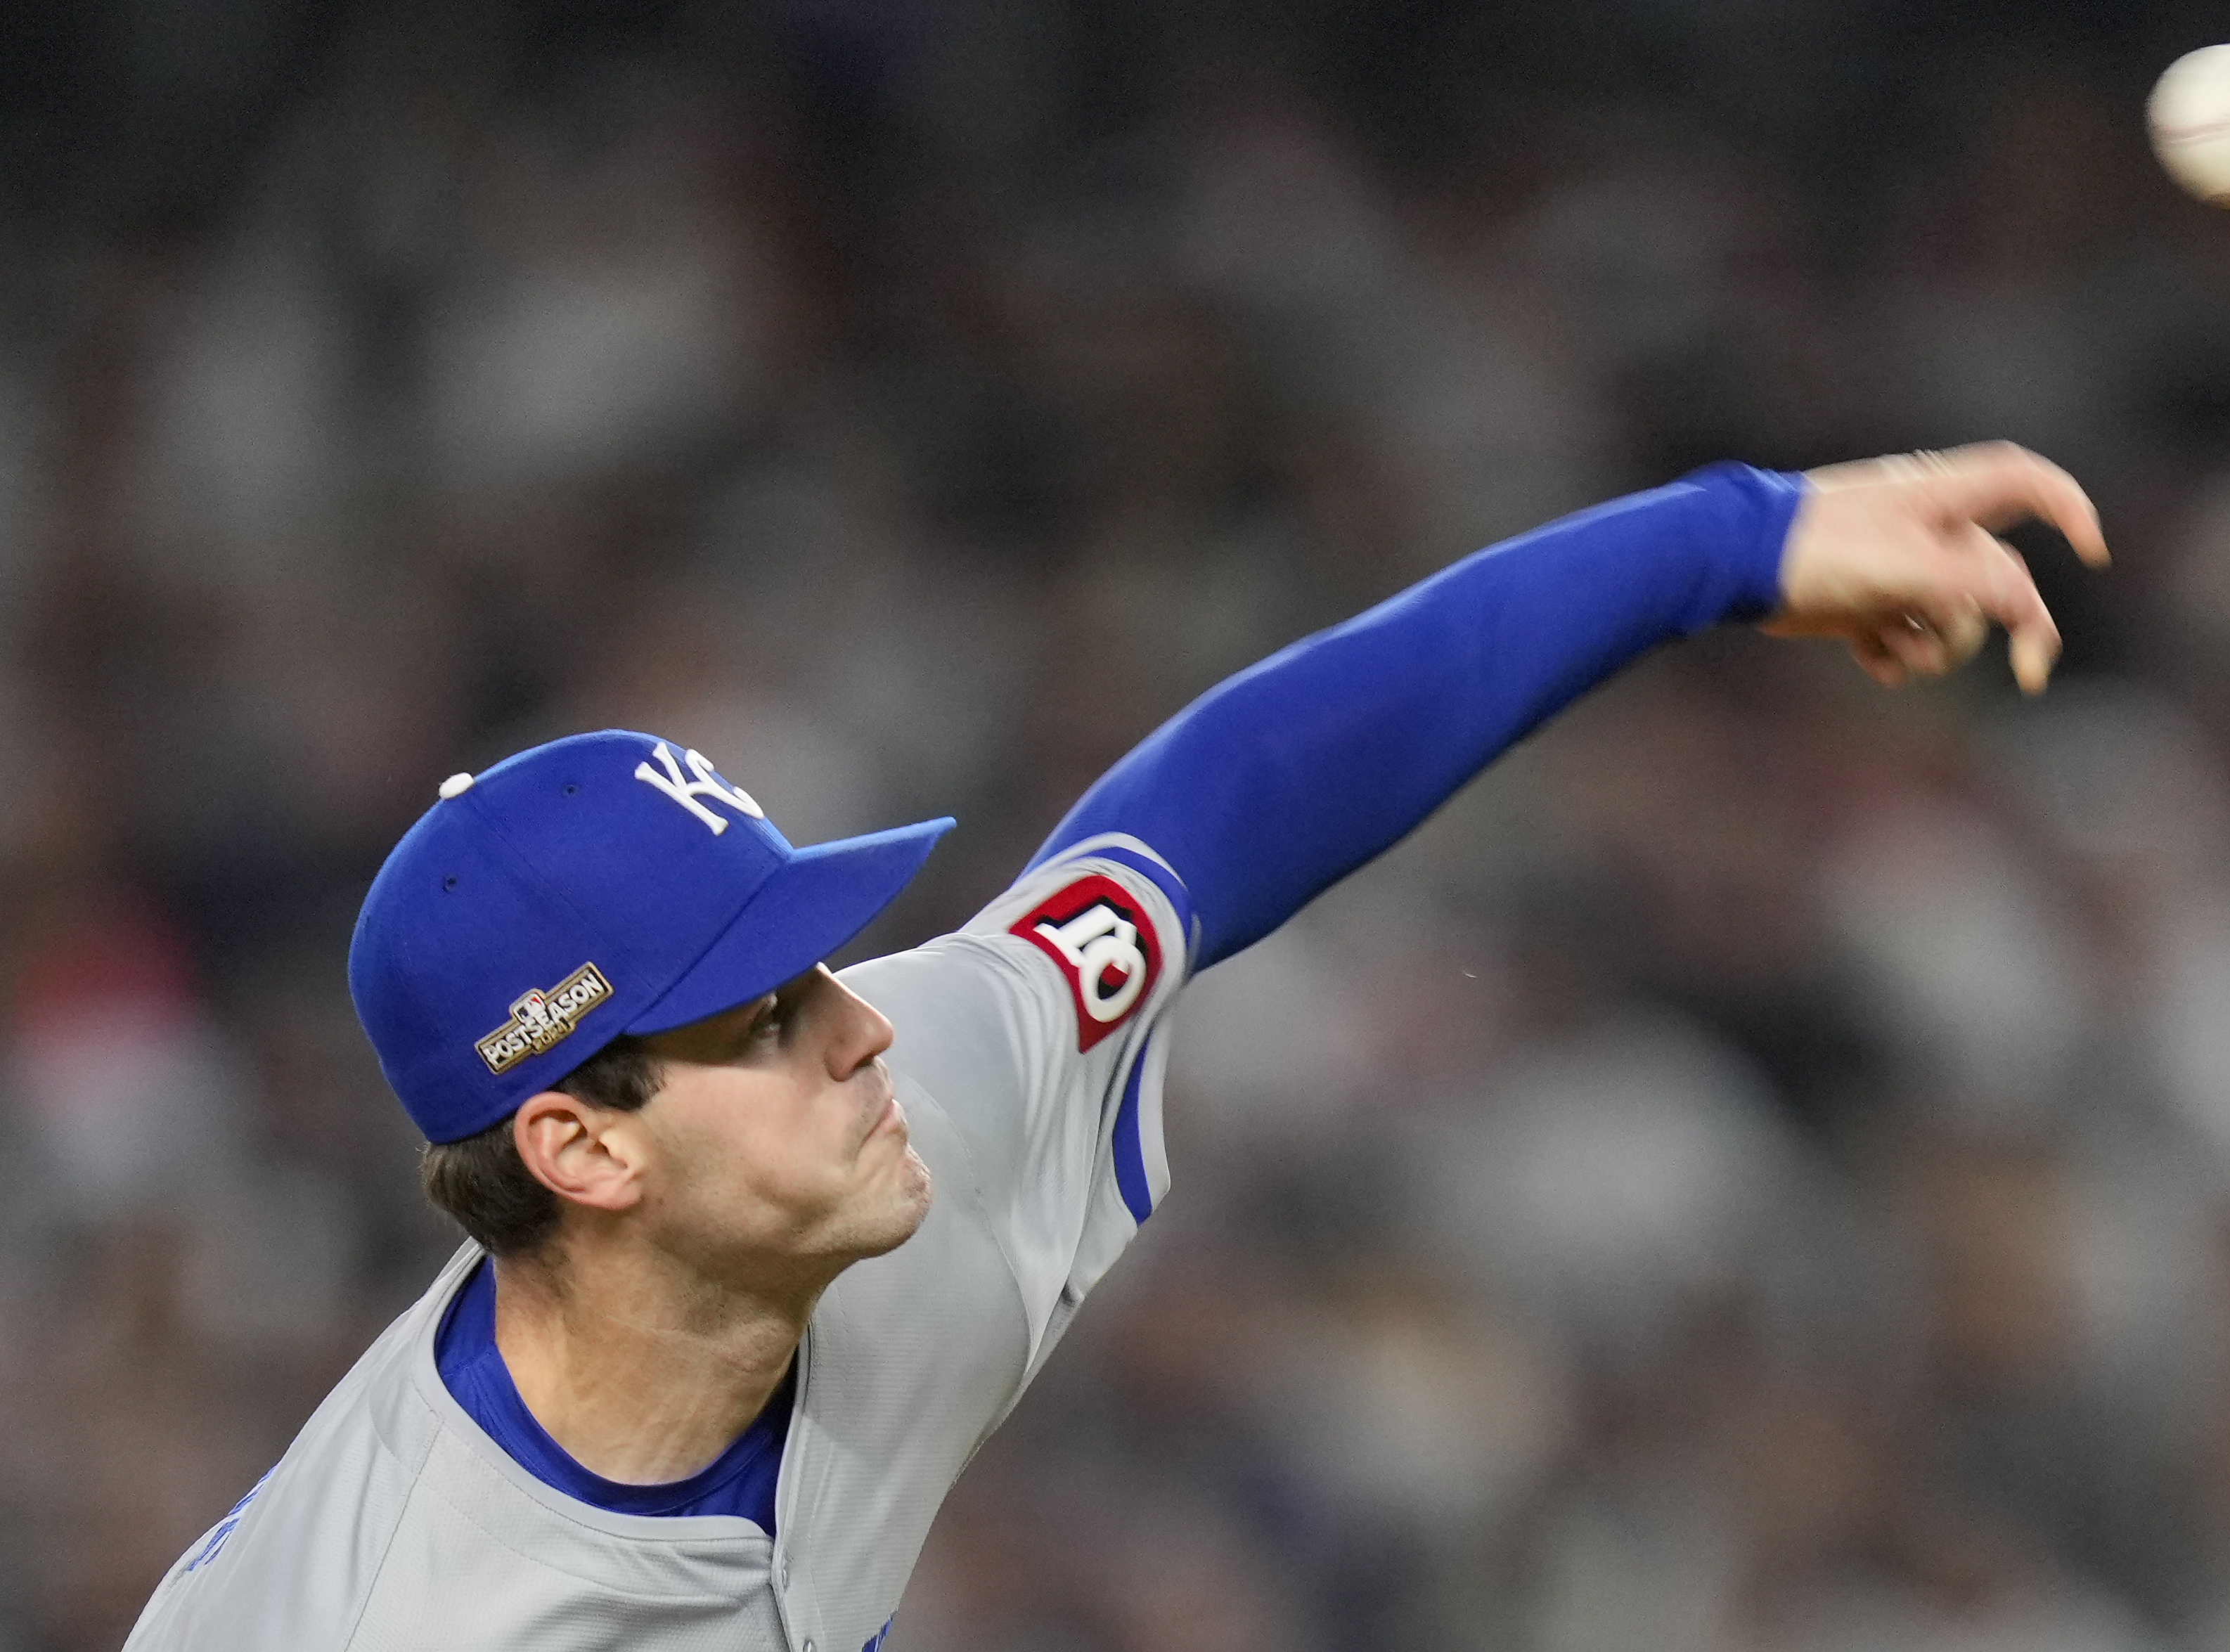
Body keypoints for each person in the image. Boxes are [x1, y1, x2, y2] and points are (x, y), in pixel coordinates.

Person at [122, 445, 2104, 1651]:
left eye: (821, 967)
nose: (856, 1027)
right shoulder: (420, 1620)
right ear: (582, 1149)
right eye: (764, 1013)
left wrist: (1731, 542)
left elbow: (1220, 809)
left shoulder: (911, 1110)